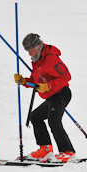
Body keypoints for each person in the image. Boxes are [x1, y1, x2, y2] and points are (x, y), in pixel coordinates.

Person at [14, 33, 76, 163]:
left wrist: (48, 86)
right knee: (35, 117)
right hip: (52, 96)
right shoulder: (37, 59)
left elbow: (66, 77)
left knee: (54, 121)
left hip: (61, 93)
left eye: (31, 50)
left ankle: (67, 152)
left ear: (39, 46)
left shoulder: (51, 58)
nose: (30, 53)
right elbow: (37, 81)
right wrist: (24, 81)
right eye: (27, 51)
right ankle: (45, 149)